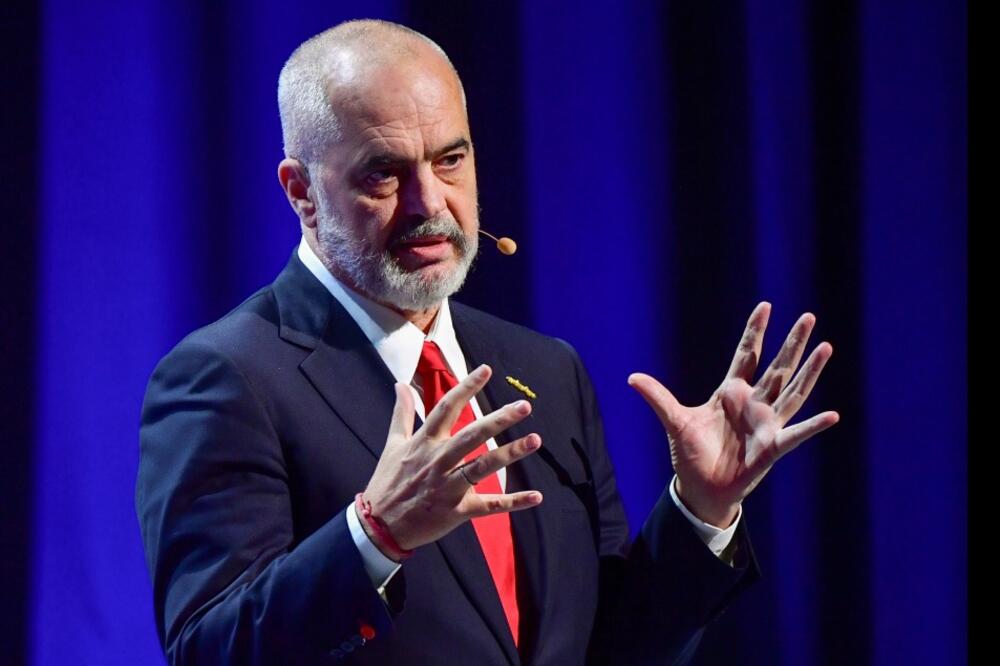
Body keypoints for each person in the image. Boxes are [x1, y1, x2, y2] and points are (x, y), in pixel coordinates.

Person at [136, 19, 839, 665]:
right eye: (383, 173)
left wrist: (700, 510)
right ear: (301, 192)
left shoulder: (545, 369)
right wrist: (373, 537)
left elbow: (611, 647)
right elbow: (209, 651)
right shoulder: (228, 378)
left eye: (450, 160)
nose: (430, 204)